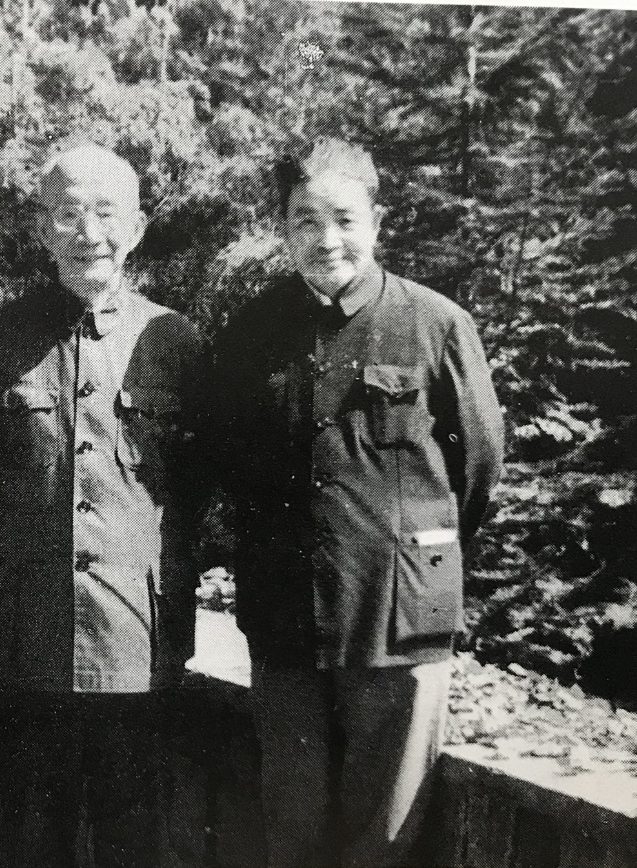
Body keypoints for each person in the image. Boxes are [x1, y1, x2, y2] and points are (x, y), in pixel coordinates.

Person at [211, 137, 504, 867]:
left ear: (378, 221)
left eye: (343, 218)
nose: (326, 239)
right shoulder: (252, 333)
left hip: (397, 617)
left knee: (386, 836)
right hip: (286, 616)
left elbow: (477, 470)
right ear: (282, 230)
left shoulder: (436, 325)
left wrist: (406, 550)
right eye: (304, 221)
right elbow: (232, 464)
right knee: (293, 827)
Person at [0, 141, 207, 868]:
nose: (89, 232)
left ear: (139, 226)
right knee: (32, 841)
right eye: (68, 214)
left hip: (135, 639)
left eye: (107, 213)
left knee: (134, 841)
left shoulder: (173, 341)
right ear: (42, 228)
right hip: (22, 641)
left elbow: (197, 492)